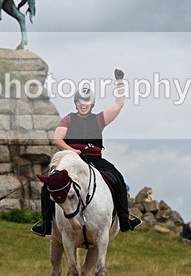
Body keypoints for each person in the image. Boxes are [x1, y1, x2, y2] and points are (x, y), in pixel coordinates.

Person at [32, 69, 142, 236]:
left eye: (87, 102)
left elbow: (119, 104)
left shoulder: (99, 119)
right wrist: (72, 151)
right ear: (76, 103)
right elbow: (57, 140)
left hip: (95, 160)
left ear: (92, 104)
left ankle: (125, 219)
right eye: (80, 102)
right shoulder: (68, 119)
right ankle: (46, 224)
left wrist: (119, 81)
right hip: (73, 161)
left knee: (118, 178)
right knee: (48, 186)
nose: (83, 105)